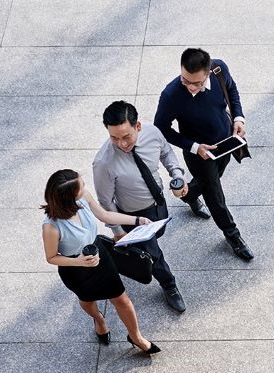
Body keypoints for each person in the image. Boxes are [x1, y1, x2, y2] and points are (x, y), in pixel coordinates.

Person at [41, 168, 160, 354]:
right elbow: (51, 257)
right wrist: (80, 262)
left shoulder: (83, 197)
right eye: (81, 186)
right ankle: (99, 319)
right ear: (69, 196)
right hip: (75, 268)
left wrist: (137, 220)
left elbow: (104, 215)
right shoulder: (51, 227)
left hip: (100, 256)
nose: (85, 187)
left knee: (121, 298)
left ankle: (136, 336)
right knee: (87, 300)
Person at [154, 47, 254, 261]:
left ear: (208, 72)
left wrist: (238, 118)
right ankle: (232, 235)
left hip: (226, 141)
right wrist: (194, 147)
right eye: (185, 80)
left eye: (197, 83)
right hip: (198, 153)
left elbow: (232, 89)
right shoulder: (171, 94)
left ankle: (189, 194)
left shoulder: (219, 69)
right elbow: (160, 127)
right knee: (215, 196)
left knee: (213, 179)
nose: (190, 87)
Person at [93, 100, 191, 313]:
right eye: (114, 138)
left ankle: (130, 246)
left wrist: (177, 174)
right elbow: (105, 202)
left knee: (159, 232)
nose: (121, 144)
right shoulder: (103, 163)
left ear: (137, 126)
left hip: (158, 202)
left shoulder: (152, 133)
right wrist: (118, 231)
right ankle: (169, 285)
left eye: (126, 136)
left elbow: (166, 153)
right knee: (153, 253)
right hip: (132, 215)